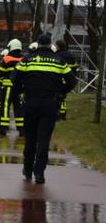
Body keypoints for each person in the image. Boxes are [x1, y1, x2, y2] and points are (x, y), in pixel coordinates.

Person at [12, 34, 76, 183]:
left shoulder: (27, 59)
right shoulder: (59, 61)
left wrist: (22, 89)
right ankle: (39, 173)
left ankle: (27, 169)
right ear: (50, 44)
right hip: (49, 104)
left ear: (38, 44)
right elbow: (72, 81)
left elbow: (14, 79)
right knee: (44, 140)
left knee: (30, 139)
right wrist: (60, 91)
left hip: (31, 103)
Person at [0, 39, 25, 137]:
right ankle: (21, 130)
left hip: (7, 87)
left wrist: (0, 73)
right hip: (19, 88)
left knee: (5, 108)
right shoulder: (23, 59)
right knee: (18, 109)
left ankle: (3, 129)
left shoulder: (7, 58)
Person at [54, 40, 78, 120]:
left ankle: (58, 114)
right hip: (68, 80)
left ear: (58, 46)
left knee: (57, 98)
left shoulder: (56, 55)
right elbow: (75, 67)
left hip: (59, 80)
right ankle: (63, 114)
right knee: (63, 97)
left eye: (56, 45)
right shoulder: (71, 55)